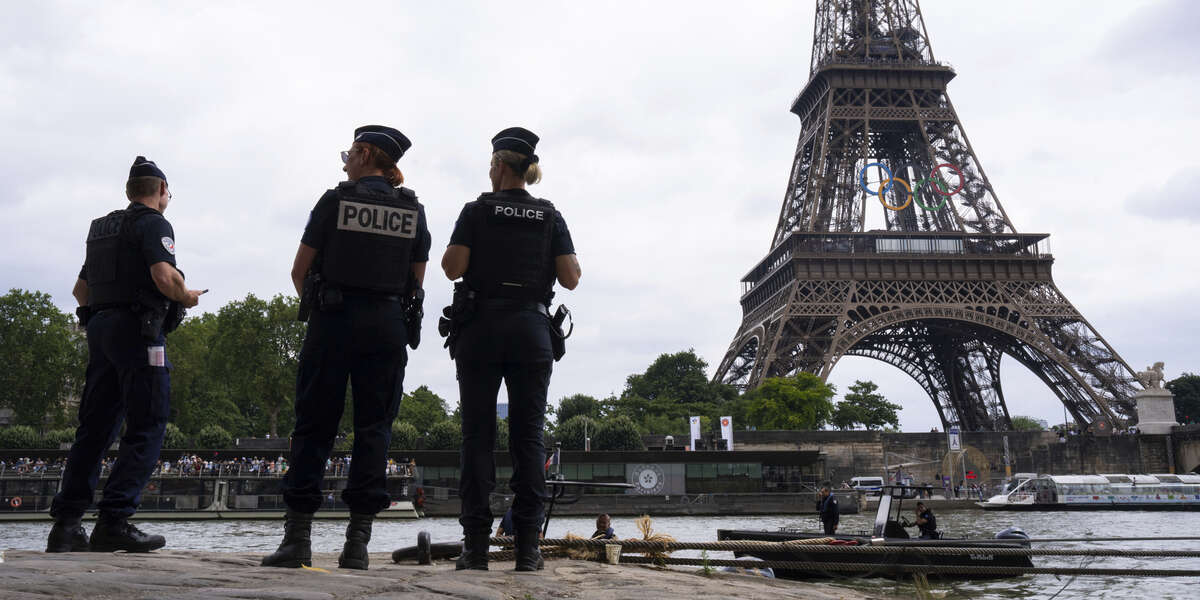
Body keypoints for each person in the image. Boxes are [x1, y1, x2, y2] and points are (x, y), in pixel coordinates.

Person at [262, 125, 430, 571]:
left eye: (348, 153)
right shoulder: (413, 210)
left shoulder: (334, 201)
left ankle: (297, 539)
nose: (343, 161)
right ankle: (357, 544)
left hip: (334, 322)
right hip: (387, 326)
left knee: (314, 426)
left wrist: (325, 307)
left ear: (364, 153)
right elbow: (417, 281)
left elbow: (300, 271)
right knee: (375, 429)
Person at [443, 127, 581, 572]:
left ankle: (476, 549)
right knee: (528, 440)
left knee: (477, 438)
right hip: (530, 330)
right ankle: (528, 549)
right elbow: (571, 277)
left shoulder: (475, 210)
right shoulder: (549, 216)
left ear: (499, 166)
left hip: (481, 329)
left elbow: (452, 269)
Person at [48, 157, 202, 553]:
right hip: (140, 331)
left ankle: (66, 526)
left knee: (95, 428)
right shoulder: (154, 224)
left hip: (100, 330)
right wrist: (186, 296)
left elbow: (80, 290)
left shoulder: (102, 229)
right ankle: (114, 520)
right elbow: (164, 277)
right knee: (147, 424)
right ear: (162, 191)